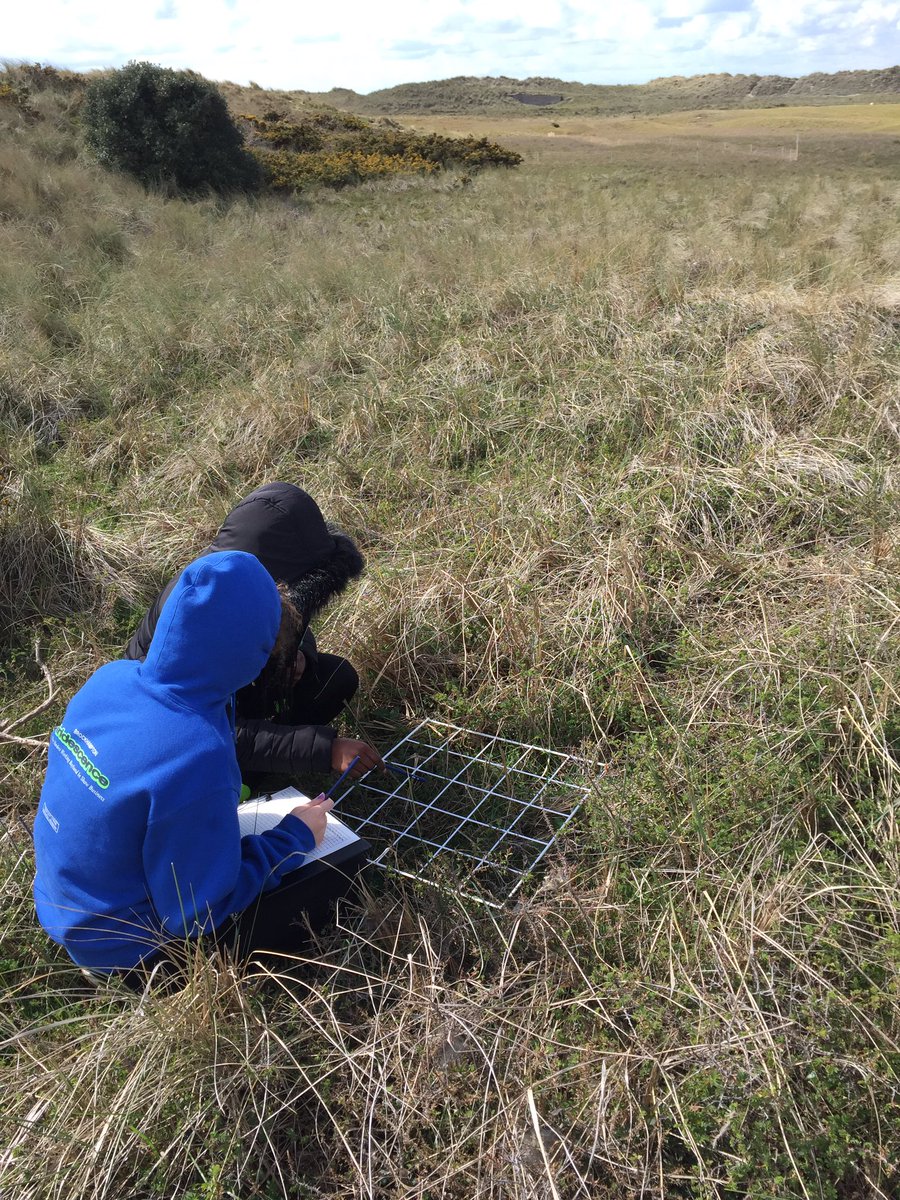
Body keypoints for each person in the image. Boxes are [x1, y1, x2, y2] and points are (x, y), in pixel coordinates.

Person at [33, 551, 341, 983]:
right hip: (129, 953)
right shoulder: (197, 753)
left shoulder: (111, 677)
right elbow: (193, 914)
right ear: (250, 656)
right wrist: (294, 837)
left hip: (59, 902)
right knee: (321, 878)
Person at [126, 481, 382, 784]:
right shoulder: (198, 616)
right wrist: (323, 750)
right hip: (170, 745)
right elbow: (204, 729)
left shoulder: (243, 586)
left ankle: (267, 763)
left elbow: (291, 621)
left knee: (334, 677)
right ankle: (250, 780)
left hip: (228, 701)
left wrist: (298, 655)